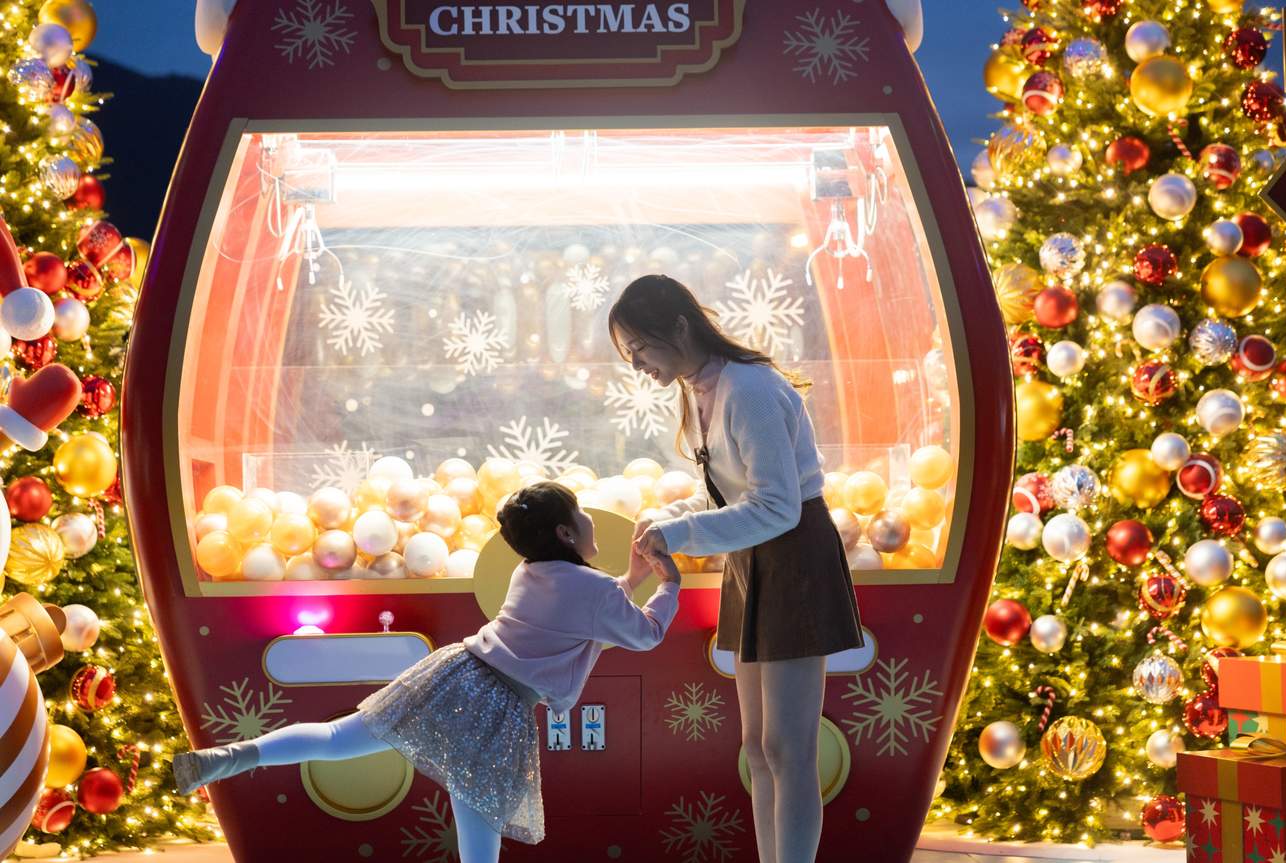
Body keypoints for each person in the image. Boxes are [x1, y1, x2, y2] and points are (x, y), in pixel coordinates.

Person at [172, 481, 680, 863]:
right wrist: (669, 584)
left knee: (335, 737)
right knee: (476, 834)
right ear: (566, 532)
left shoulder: (531, 572)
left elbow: (593, 605)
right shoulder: (592, 591)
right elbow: (644, 632)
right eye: (582, 515)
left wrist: (634, 576)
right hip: (497, 709)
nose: (592, 522)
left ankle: (225, 758)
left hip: (454, 673)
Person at [609, 274, 862, 863]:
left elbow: (778, 504)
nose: (639, 363)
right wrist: (662, 520)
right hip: (753, 557)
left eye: (641, 347)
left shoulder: (746, 387)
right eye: (631, 354)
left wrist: (678, 532)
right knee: (757, 746)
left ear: (679, 326)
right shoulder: (699, 389)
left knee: (788, 747)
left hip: (795, 556)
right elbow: (731, 498)